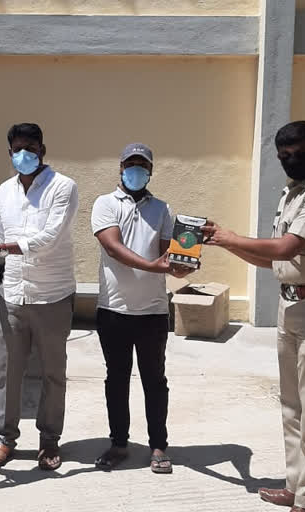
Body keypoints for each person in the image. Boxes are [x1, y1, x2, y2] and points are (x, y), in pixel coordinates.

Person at [202, 121, 305, 512]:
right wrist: (225, 241)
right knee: (292, 406)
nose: (293, 160)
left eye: (301, 152)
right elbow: (272, 259)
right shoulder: (291, 194)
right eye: (285, 155)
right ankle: (294, 486)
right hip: (292, 304)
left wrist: (229, 237)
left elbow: (287, 247)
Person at [0, 122, 78, 472]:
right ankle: (4, 439)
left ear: (42, 150)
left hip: (53, 295)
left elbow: (49, 237)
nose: (24, 154)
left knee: (52, 373)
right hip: (13, 293)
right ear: (10, 152)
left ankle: (49, 441)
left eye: (31, 147)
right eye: (17, 148)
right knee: (8, 372)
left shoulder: (63, 187)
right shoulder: (5, 191)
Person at [91, 143, 193, 474]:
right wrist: (158, 267)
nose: (136, 170)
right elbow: (114, 248)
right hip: (113, 309)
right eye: (130, 164)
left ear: (150, 171)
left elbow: (170, 254)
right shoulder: (104, 204)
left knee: (154, 380)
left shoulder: (162, 209)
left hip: (152, 312)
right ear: (120, 168)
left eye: (142, 165)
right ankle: (119, 443)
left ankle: (158, 446)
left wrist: (184, 261)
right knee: (116, 379)